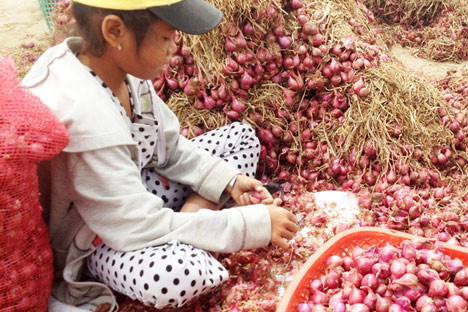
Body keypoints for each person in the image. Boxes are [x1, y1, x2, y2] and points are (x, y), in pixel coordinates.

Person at [22, 0, 298, 310]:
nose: (173, 49)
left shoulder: (123, 71)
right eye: (165, 38)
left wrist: (228, 181)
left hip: (135, 190)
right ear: (115, 31)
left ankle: (189, 221)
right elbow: (137, 224)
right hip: (97, 238)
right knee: (180, 273)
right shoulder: (86, 119)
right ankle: (190, 230)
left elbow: (170, 148)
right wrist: (248, 226)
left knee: (241, 137)